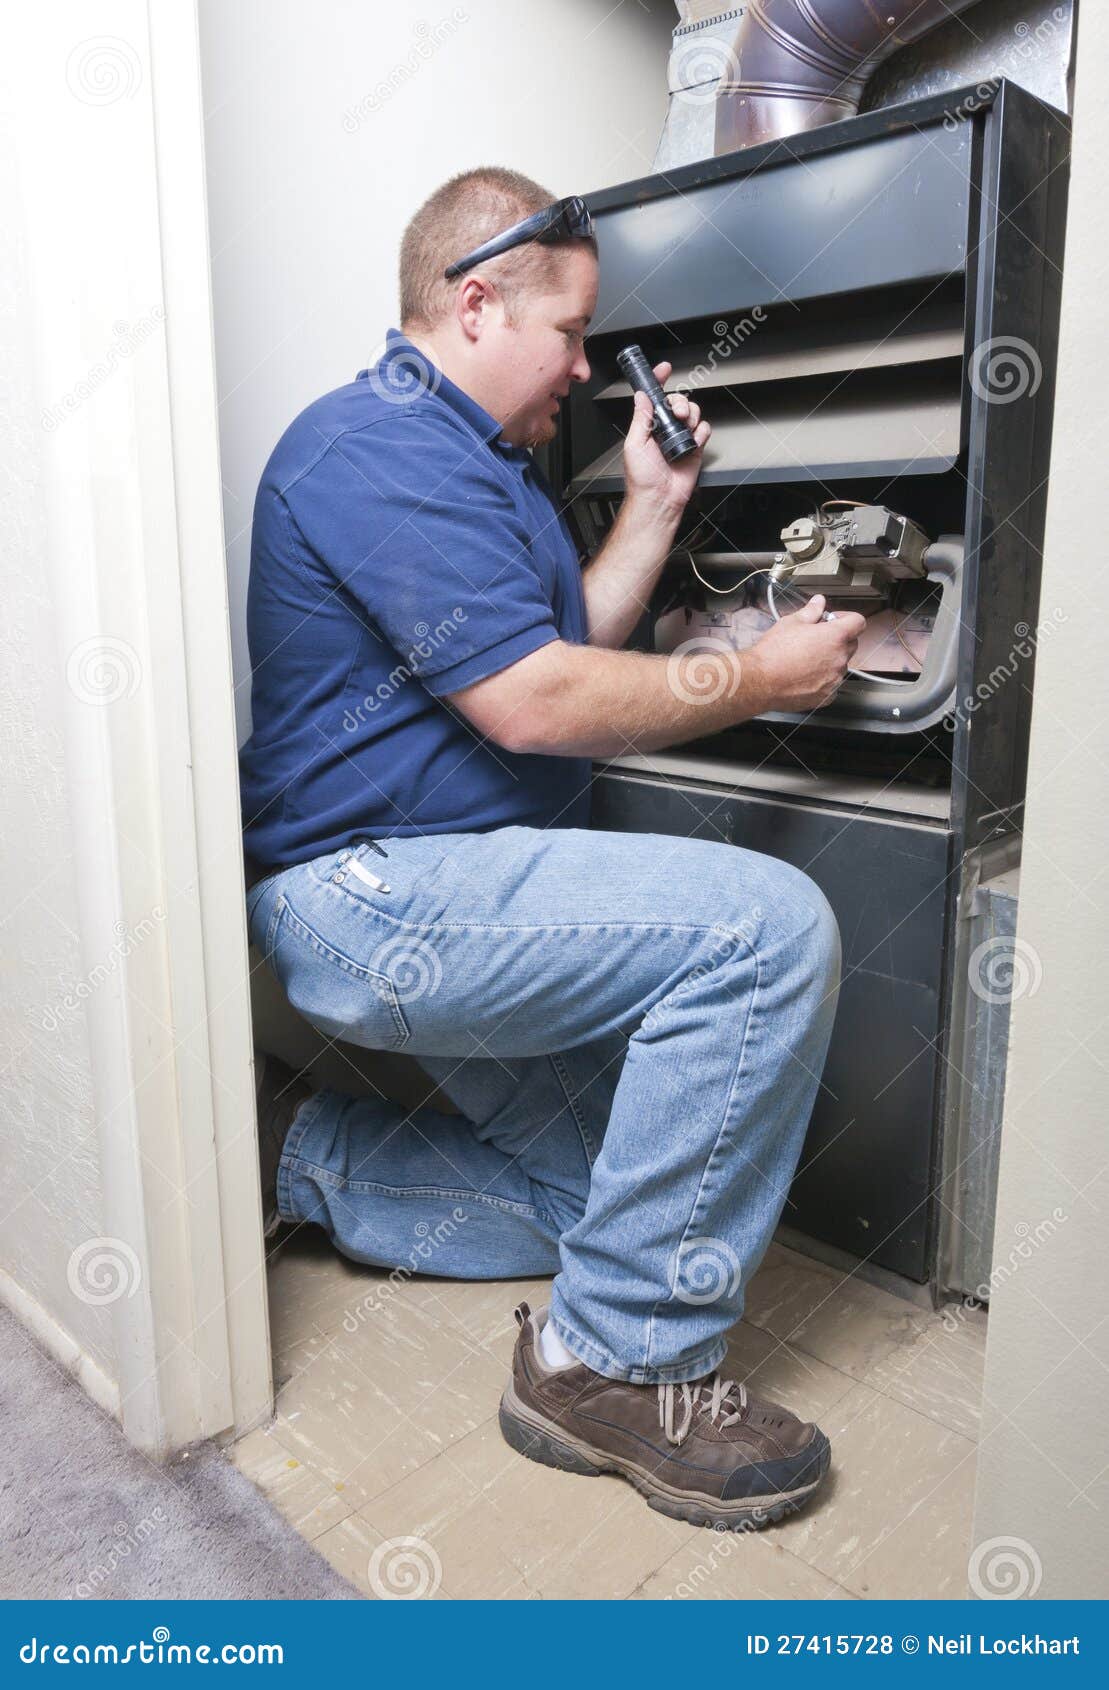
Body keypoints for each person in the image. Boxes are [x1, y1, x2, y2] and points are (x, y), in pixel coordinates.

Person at [240, 166, 865, 1531]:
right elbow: (533, 703)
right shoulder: (374, 444)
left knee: (600, 1203)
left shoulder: (483, 467)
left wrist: (654, 501)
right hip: (376, 894)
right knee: (766, 931)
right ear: (476, 306)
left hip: (452, 887)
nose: (584, 368)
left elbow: (565, 640)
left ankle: (290, 1150)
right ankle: (614, 1369)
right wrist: (755, 676)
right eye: (571, 333)